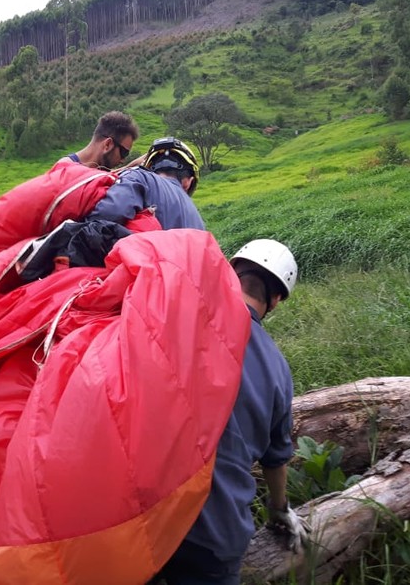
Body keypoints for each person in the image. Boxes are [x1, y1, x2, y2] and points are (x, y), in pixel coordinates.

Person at [157, 239, 309, 585]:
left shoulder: (173, 316)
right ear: (276, 299)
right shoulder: (277, 368)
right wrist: (279, 508)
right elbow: (276, 457)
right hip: (215, 532)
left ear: (230, 269)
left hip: (143, 518)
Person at [87, 136, 206, 230]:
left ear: (150, 167)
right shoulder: (199, 222)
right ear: (188, 182)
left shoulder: (140, 178)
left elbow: (104, 218)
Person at [58, 111, 139, 169]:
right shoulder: (64, 169)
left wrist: (132, 165)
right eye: (124, 153)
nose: (123, 160)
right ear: (108, 144)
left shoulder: (96, 171)